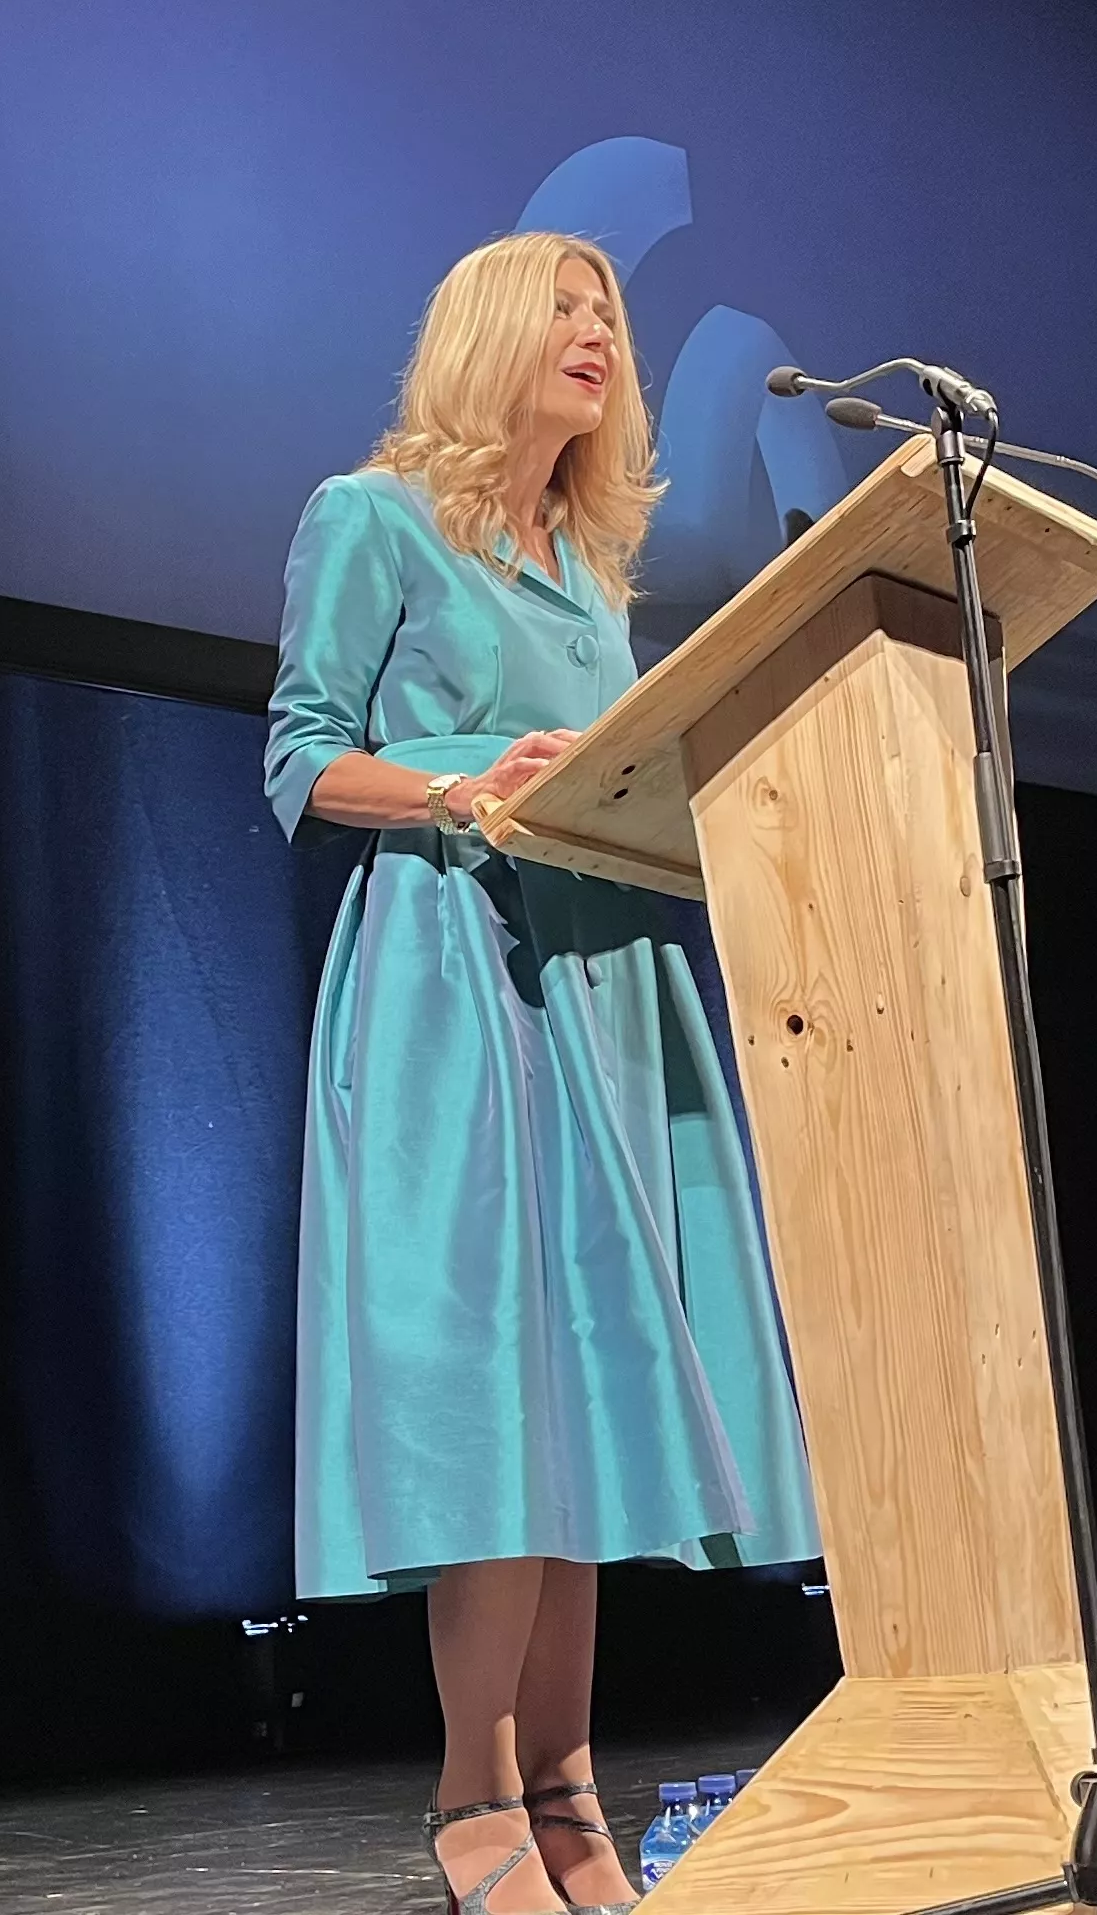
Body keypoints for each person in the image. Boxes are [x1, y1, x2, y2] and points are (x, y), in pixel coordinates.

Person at [265, 230, 822, 1914]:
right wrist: (459, 783)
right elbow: (300, 756)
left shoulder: (596, 580)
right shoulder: (367, 518)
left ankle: (573, 1787)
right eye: (569, 310)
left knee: (590, 1391)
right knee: (497, 1399)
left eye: (613, 317)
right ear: (491, 335)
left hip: (604, 985)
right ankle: (472, 1797)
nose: (599, 337)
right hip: (455, 987)